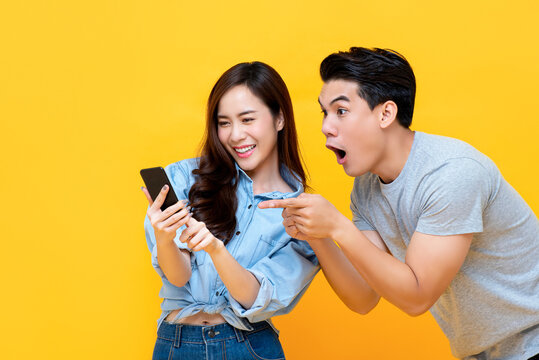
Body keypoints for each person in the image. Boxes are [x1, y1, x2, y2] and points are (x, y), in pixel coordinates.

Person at [259, 47, 539, 360]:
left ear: (386, 114)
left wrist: (338, 226)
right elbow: (363, 297)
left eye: (340, 111)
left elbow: (417, 297)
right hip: (483, 352)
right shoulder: (366, 188)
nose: (326, 126)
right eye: (325, 113)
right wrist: (318, 236)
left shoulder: (451, 173)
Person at [142, 61, 319, 360]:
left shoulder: (301, 213)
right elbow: (178, 277)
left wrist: (216, 249)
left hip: (248, 347)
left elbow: (253, 298)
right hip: (177, 345)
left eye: (247, 119)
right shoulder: (185, 178)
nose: (235, 135)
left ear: (279, 118)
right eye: (224, 123)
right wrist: (163, 238)